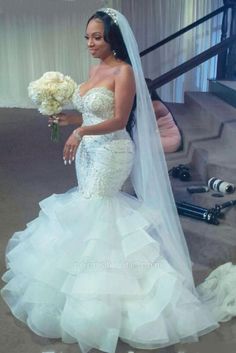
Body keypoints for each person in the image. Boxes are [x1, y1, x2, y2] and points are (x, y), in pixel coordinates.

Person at [1, 8, 236, 353]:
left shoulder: (124, 72)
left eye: (97, 37)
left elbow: (118, 120)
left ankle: (108, 303)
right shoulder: (97, 69)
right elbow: (95, 111)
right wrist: (67, 118)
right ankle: (87, 292)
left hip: (112, 152)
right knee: (91, 209)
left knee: (100, 211)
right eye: (87, 37)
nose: (90, 44)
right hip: (88, 152)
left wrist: (81, 130)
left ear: (114, 39)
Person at [145, 78, 183, 153]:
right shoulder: (151, 104)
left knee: (138, 144)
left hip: (171, 139)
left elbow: (143, 125)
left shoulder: (156, 106)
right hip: (160, 136)